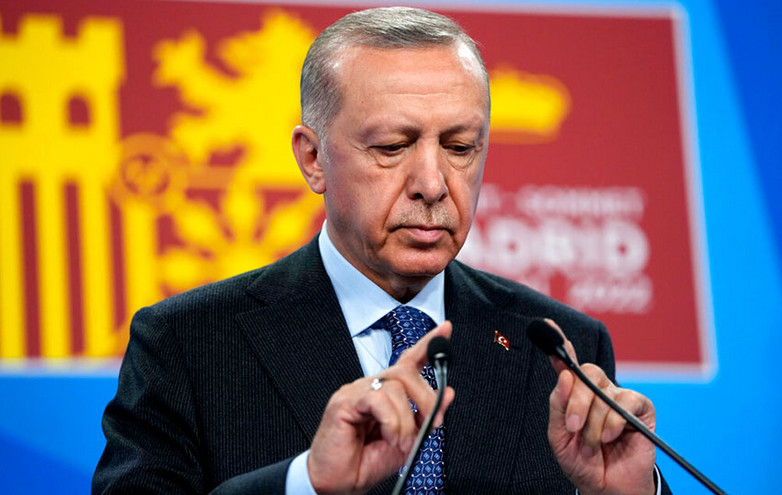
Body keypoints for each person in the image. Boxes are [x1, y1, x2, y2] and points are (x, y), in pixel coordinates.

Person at [94, 7, 668, 495]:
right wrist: (306, 483)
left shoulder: (562, 349)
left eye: (459, 146)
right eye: (393, 146)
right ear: (313, 159)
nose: (433, 184)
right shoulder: (188, 344)